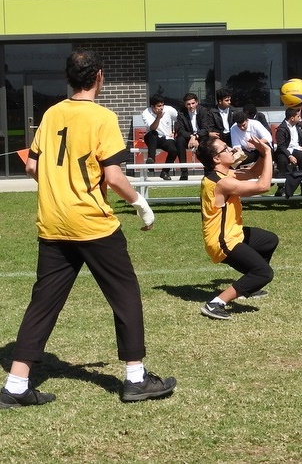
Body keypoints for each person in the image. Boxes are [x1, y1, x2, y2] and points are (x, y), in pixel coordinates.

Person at [0, 49, 176, 409]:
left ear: (68, 78)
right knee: (125, 296)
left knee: (43, 304)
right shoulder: (103, 117)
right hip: (93, 225)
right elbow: (113, 176)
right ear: (99, 76)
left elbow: (32, 167)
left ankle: (16, 384)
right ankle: (135, 379)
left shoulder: (50, 114)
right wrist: (141, 205)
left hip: (52, 223)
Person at [196, 135, 278, 320]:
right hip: (222, 241)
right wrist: (267, 152)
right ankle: (215, 303)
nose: (232, 150)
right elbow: (263, 186)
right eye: (225, 149)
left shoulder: (224, 174)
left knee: (268, 240)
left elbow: (252, 172)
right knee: (264, 273)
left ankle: (249, 285)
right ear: (216, 158)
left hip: (233, 233)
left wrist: (262, 152)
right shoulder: (221, 182)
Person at [274, 107, 302, 197]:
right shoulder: (281, 129)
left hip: (297, 148)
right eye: (298, 116)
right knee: (282, 161)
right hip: (285, 150)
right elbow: (281, 146)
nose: (300, 118)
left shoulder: (300, 126)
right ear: (292, 118)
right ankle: (281, 187)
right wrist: (289, 156)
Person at [141, 94, 179, 180]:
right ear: (152, 107)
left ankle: (165, 172)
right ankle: (151, 159)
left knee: (173, 150)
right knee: (153, 133)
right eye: (158, 106)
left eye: (162, 105)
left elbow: (179, 119)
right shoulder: (146, 112)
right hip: (152, 138)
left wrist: (175, 132)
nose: (161, 108)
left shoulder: (169, 109)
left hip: (165, 137)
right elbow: (152, 128)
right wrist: (158, 117)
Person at [174, 92, 210, 180]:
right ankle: (184, 171)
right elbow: (180, 129)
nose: (191, 106)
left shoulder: (203, 111)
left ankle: (207, 171)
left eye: (193, 103)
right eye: (188, 104)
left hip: (201, 136)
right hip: (188, 137)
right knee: (179, 140)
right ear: (185, 105)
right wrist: (191, 136)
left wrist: (195, 136)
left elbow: (206, 128)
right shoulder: (181, 112)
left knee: (206, 142)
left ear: (197, 102)